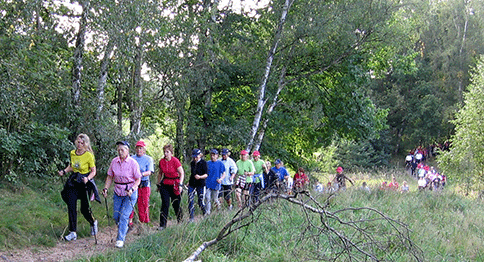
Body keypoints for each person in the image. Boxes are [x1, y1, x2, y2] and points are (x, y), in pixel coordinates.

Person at [59, 133, 99, 242]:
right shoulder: (73, 153)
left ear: (86, 144)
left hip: (85, 182)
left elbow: (93, 171)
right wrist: (64, 171)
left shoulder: (89, 155)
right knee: (71, 205)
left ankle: (93, 222)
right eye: (78, 142)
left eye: (82, 143)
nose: (79, 144)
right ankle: (73, 232)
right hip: (74, 180)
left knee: (84, 209)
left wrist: (88, 178)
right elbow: (72, 166)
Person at [102, 141, 141, 248]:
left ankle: (120, 239)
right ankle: (125, 228)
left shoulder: (133, 163)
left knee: (124, 216)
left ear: (127, 151)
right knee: (116, 216)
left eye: (122, 150)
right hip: (118, 191)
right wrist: (106, 188)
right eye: (118, 150)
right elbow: (110, 176)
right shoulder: (114, 161)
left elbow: (138, 179)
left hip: (130, 192)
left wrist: (132, 189)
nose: (120, 152)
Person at [157, 144, 184, 230]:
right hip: (165, 183)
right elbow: (160, 173)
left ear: (171, 153)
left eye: (167, 152)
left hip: (175, 183)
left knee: (176, 203)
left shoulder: (175, 161)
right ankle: (162, 225)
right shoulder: (161, 161)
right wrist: (158, 184)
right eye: (164, 152)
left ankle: (180, 221)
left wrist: (180, 184)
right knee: (165, 204)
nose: (165, 154)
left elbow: (182, 173)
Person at [129, 140, 154, 226]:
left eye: (141, 148)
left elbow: (150, 171)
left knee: (143, 204)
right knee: (130, 202)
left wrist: (140, 174)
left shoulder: (148, 159)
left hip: (144, 184)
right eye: (137, 148)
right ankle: (129, 223)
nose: (139, 150)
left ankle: (143, 224)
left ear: (144, 149)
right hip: (133, 183)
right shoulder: (132, 158)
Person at [188, 149, 208, 221]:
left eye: (196, 157)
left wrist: (200, 177)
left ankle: (204, 213)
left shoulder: (204, 163)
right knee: (190, 199)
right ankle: (191, 217)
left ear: (200, 155)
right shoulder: (192, 163)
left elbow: (206, 174)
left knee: (200, 200)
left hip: (200, 184)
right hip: (192, 184)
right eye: (194, 157)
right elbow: (192, 173)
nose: (195, 158)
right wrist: (189, 182)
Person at [205, 149, 225, 214]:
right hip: (208, 184)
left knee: (215, 199)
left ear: (217, 156)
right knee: (207, 198)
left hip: (216, 184)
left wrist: (221, 179)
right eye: (211, 155)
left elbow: (224, 174)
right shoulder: (207, 163)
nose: (212, 156)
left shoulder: (220, 163)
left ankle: (219, 210)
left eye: (214, 155)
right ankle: (208, 212)